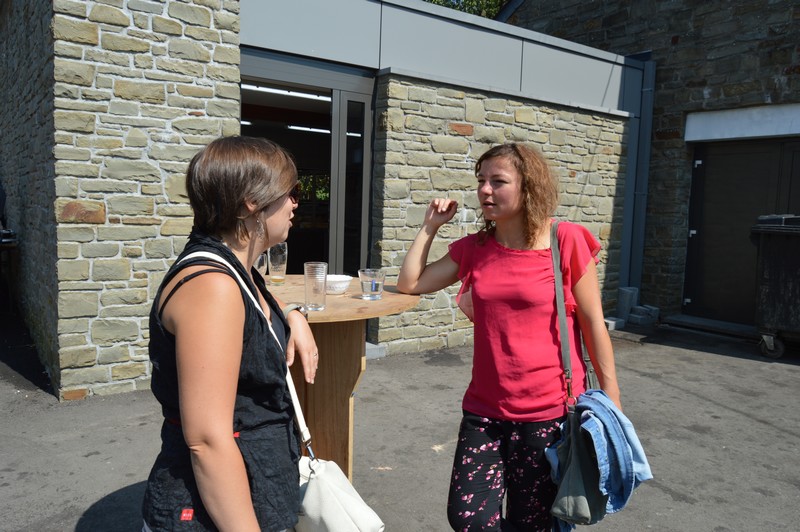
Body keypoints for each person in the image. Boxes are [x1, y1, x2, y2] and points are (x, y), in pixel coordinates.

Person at [397, 142, 621, 531]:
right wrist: (429, 227)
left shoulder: (565, 240)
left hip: (548, 413)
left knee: (530, 523)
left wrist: (611, 400)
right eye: (481, 180)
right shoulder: (476, 248)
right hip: (484, 409)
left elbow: (593, 322)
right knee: (467, 517)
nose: (485, 190)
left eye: (498, 181)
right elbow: (411, 283)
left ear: (528, 186)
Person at [141, 136, 318, 531]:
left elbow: (252, 308)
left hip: (254, 491)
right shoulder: (213, 287)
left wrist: (293, 314)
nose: (295, 204)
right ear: (251, 203)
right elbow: (207, 441)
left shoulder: (236, 271)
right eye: (290, 192)